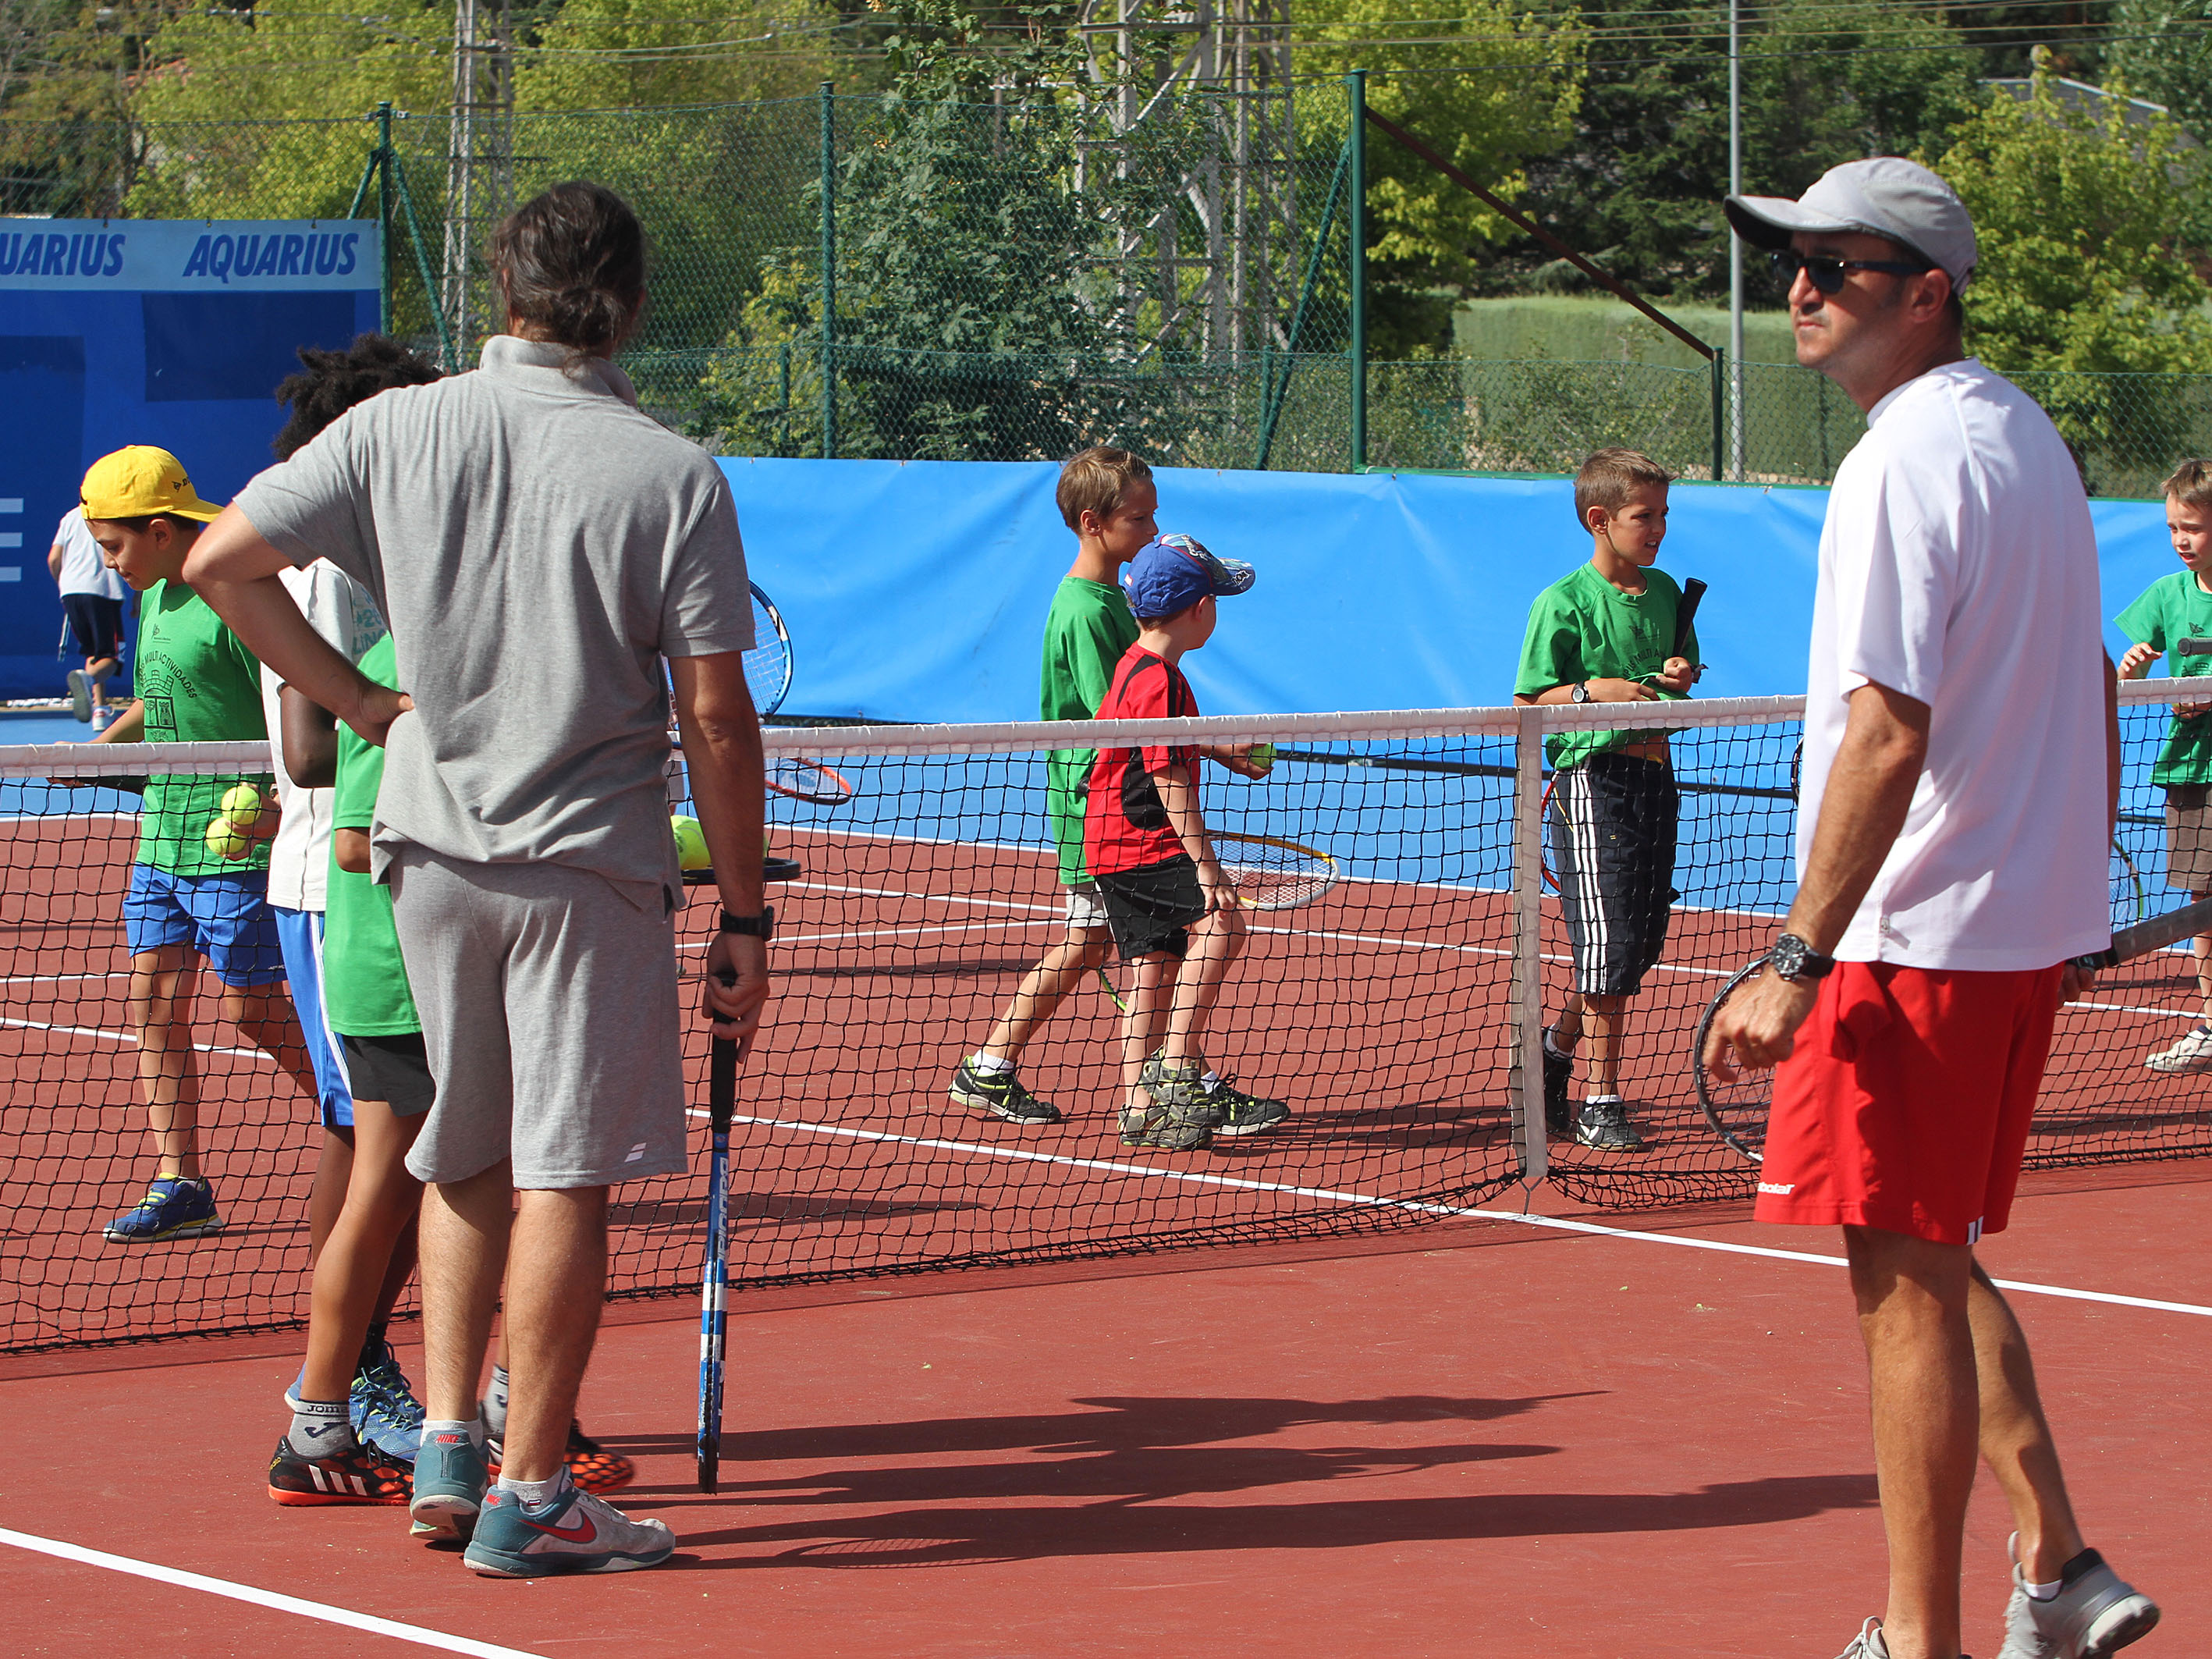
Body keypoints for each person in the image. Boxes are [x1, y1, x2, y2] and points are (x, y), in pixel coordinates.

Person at [185, 180, 769, 1578]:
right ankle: (532, 1492)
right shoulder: (669, 470)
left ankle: (447, 1445)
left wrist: (367, 708)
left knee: (463, 1151)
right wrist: (745, 911)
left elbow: (220, 562)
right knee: (565, 1174)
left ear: (501, 288)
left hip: (427, 857)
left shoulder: (395, 425)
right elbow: (714, 716)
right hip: (583, 869)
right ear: (627, 303)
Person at [1706, 157, 2158, 1659]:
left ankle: (1920, 1641)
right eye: (1796, 264)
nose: (1801, 291)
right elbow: (2090, 684)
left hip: (1910, 939)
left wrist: (1794, 952)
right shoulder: (2027, 436)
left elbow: (1887, 730)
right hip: (2000, 929)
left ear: (1928, 289)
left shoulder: (1901, 459)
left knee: (1900, 1288)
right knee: (1938, 1253)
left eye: (1836, 265)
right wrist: (2073, 894)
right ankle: (2060, 1562)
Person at [944, 452, 1274, 1130]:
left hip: (1110, 805)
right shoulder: (1088, 612)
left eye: (1154, 514)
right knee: (1121, 941)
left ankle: (1133, 1094)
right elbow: (1123, 726)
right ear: (1092, 524)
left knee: (1129, 947)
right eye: (1139, 518)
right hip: (1100, 805)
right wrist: (1216, 746)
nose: (1152, 530)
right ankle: (1164, 1079)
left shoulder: (1116, 602)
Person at [258, 336, 442, 1466]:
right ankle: (348, 1377)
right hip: (349, 886)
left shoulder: (384, 545)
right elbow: (312, 749)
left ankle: (352, 1377)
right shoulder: (337, 563)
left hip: (394, 876)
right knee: (380, 1149)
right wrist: (405, 716)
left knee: (390, 1147)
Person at [77, 446, 318, 1242]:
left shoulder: (235, 590)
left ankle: (372, 1130)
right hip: (163, 840)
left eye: (114, 545)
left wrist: (284, 799)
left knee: (253, 1009)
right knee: (151, 1000)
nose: (109, 562)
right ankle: (182, 1182)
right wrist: (99, 754)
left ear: (158, 529)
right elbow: (158, 701)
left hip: (238, 846)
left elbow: (301, 691)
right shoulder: (151, 595)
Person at [1513, 446, 1699, 1153]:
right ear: (1599, 520)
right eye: (1641, 516)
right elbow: (1527, 700)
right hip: (1592, 784)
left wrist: (1677, 676)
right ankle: (1602, 1100)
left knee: (1638, 946)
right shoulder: (1560, 602)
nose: (1656, 529)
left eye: (1662, 515)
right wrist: (1595, 694)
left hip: (1657, 781)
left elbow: (1675, 678)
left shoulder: (1665, 594)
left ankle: (1553, 1055)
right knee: (1609, 946)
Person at [1084, 535, 1289, 1152]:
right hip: (1143, 837)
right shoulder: (1165, 682)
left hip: (1109, 842)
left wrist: (1212, 746)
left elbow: (1148, 746)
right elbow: (1168, 780)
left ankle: (1140, 1107)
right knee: (1222, 925)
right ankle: (1177, 1071)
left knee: (1153, 967)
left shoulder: (1133, 668)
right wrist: (1207, 870)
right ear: (1199, 609)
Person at [2116, 456, 2212, 1074]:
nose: (2181, 540)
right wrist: (2135, 668)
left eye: (2194, 528)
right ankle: (2210, 1026)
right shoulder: (2165, 595)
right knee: (2204, 902)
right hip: (2189, 773)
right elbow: (2136, 669)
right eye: (2173, 527)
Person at [50, 502, 129, 726]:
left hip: (70, 592)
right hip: (101, 590)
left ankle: (100, 709)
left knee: (96, 653)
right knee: (110, 658)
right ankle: (88, 680)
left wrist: (65, 585)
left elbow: (54, 559)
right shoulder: (113, 512)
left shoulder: (69, 516)